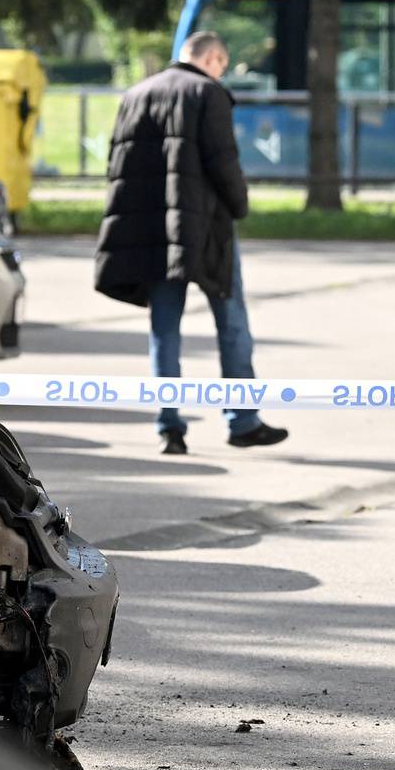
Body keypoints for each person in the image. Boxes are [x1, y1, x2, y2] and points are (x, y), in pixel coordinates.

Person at [95, 30, 288, 455]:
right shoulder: (208, 93)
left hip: (153, 233)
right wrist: (240, 206)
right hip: (206, 229)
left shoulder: (136, 94)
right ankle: (242, 420)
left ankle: (170, 427)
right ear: (214, 59)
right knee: (231, 322)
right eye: (223, 63)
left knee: (164, 329)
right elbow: (224, 161)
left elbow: (119, 165)